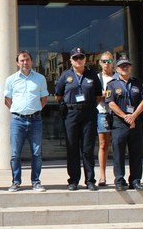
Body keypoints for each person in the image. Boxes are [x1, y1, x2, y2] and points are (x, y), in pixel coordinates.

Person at [55, 47, 102, 191]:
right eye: (75, 58)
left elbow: (98, 95)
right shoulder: (65, 75)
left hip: (88, 113)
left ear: (85, 59)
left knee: (87, 148)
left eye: (81, 57)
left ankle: (90, 180)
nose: (79, 60)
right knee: (72, 148)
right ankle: (73, 180)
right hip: (71, 114)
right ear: (71, 60)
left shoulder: (92, 75)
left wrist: (88, 105)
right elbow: (58, 95)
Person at [4, 51, 48, 192]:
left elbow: (44, 99)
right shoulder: (11, 79)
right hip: (17, 120)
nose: (25, 62)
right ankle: (16, 181)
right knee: (15, 153)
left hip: (35, 120)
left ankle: (36, 181)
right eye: (22, 60)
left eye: (27, 59)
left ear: (32, 61)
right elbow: (7, 100)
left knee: (36, 153)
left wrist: (33, 110)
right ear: (17, 63)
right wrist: (19, 110)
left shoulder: (40, 78)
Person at [105, 54, 143, 191]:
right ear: (116, 69)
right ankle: (119, 180)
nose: (125, 68)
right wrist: (125, 117)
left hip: (135, 122)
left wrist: (133, 116)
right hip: (119, 123)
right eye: (122, 66)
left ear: (131, 68)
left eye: (127, 66)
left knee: (136, 153)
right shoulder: (111, 84)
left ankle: (135, 180)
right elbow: (110, 104)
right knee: (119, 153)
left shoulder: (138, 83)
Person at [96, 51, 116, 186]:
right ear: (99, 62)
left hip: (117, 113)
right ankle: (102, 175)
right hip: (102, 112)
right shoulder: (97, 78)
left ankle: (118, 175)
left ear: (113, 62)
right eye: (104, 61)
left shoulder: (118, 77)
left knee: (118, 145)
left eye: (109, 61)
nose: (106, 64)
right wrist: (103, 95)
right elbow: (92, 97)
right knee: (103, 144)